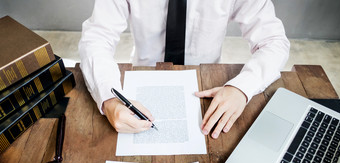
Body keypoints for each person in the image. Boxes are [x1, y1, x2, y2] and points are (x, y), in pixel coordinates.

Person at [78, 0, 290, 139]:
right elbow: (96, 38)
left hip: (207, 83)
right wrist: (109, 98)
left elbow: (273, 42)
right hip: (144, 78)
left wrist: (242, 88)